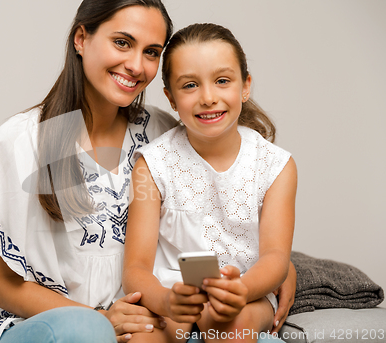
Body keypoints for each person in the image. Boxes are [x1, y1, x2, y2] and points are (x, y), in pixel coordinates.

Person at [0, 1, 294, 341]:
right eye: (122, 42)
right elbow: (3, 286)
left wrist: (278, 270)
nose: (135, 65)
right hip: (52, 326)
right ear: (81, 39)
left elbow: (222, 220)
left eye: (151, 52)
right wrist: (99, 318)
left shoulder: (162, 134)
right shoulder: (20, 141)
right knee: (85, 332)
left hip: (140, 322)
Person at [123, 23, 297, 343]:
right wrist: (166, 301)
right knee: (143, 337)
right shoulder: (152, 164)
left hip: (245, 290)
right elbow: (135, 267)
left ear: (245, 86)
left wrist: (241, 289)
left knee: (229, 325)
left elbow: (275, 257)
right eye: (189, 85)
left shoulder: (275, 165)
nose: (207, 97)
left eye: (222, 81)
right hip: (171, 292)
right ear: (171, 99)